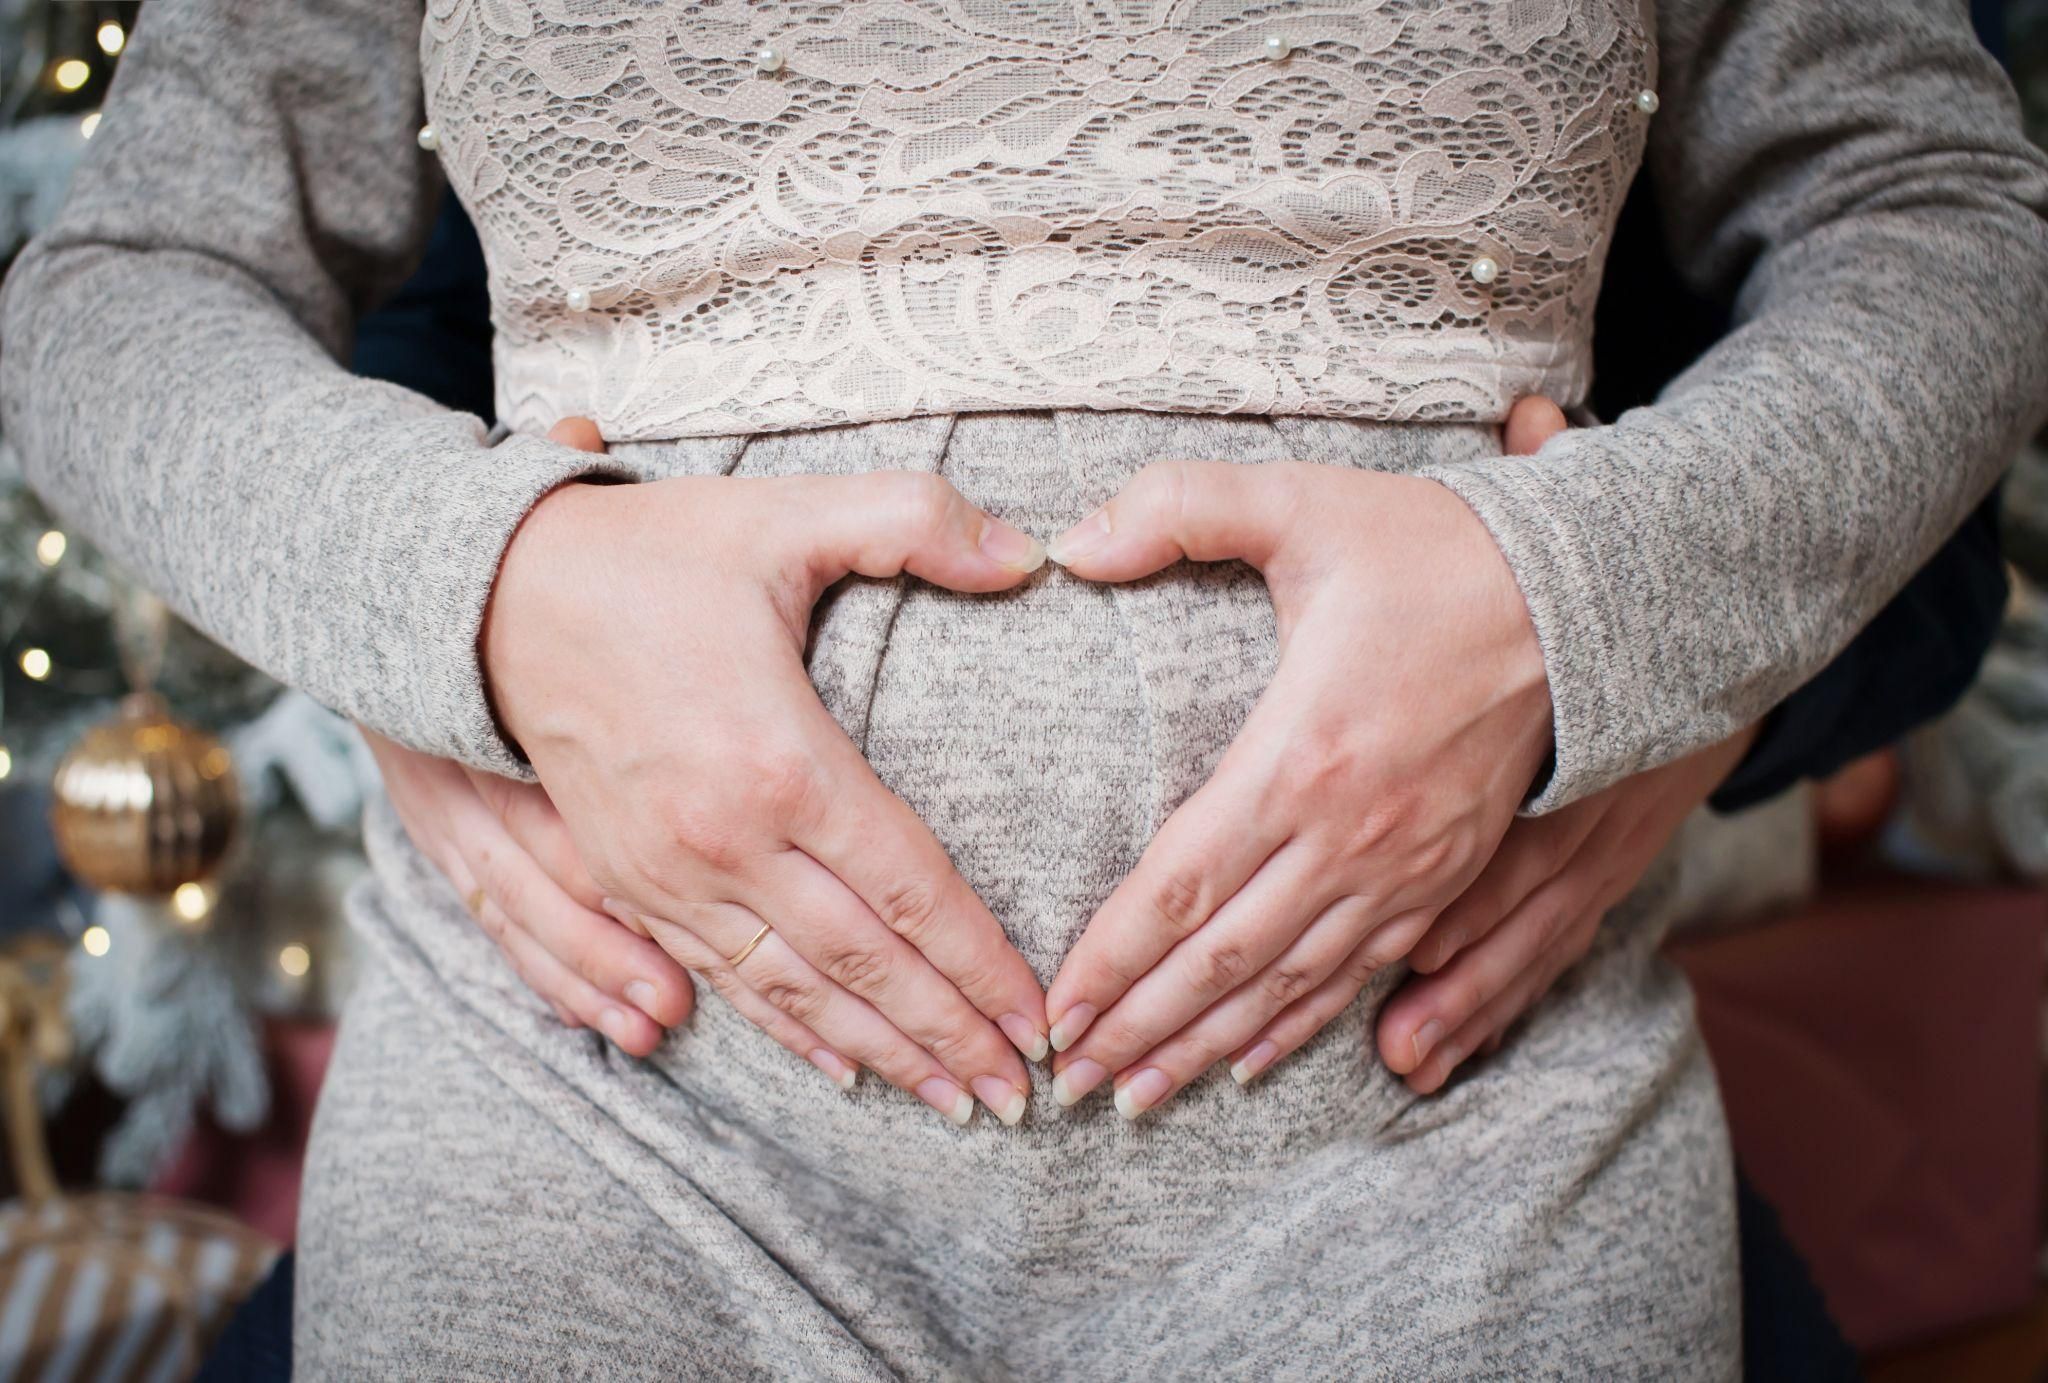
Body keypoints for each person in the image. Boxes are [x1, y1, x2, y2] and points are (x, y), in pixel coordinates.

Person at [6, 1, 2046, 1375]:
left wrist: (1602, 602)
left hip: (1455, 1139)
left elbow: (1931, 207)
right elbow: (129, 287)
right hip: (598, 1130)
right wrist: (474, 586)